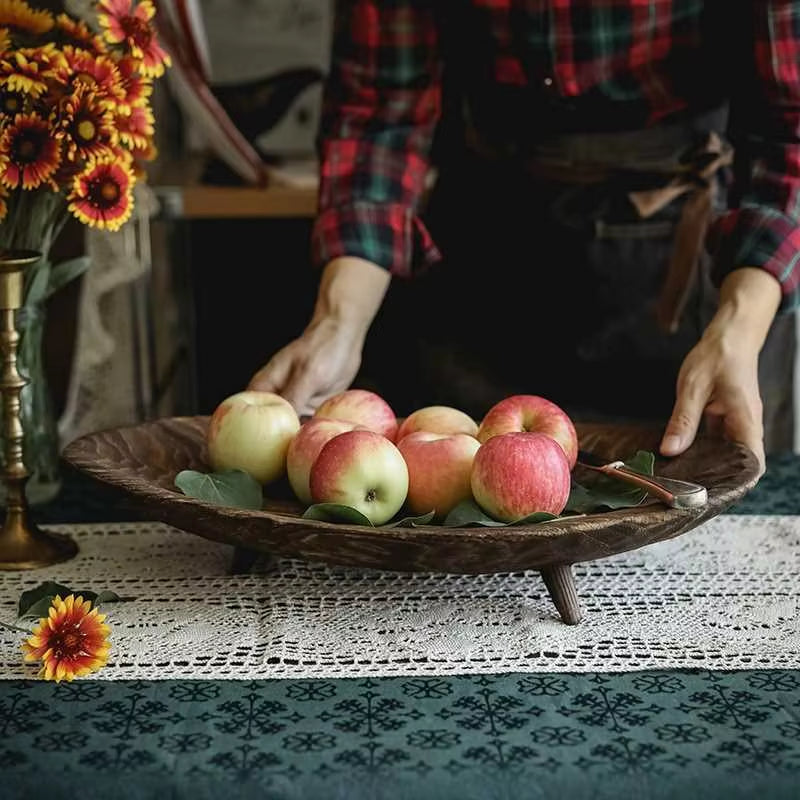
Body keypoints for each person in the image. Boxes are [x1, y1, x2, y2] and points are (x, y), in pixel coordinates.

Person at [249, 1, 800, 476]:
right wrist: (338, 320)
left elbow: (790, 128)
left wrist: (738, 326)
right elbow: (378, 114)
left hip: (694, 272)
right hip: (485, 250)